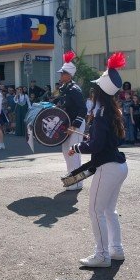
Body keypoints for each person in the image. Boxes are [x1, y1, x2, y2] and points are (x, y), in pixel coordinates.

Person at [68, 52, 128, 268]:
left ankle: (102, 255)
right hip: (119, 166)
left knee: (95, 210)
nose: (92, 91)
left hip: (108, 168)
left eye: (94, 89)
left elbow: (95, 146)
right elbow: (116, 139)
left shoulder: (102, 115)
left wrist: (77, 146)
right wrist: (93, 137)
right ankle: (116, 249)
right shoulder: (113, 112)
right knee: (108, 210)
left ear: (99, 92)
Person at [57, 52, 88, 190]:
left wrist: (74, 126)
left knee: (73, 153)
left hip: (75, 125)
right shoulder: (65, 89)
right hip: (66, 125)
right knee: (66, 152)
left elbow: (83, 110)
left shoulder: (75, 89)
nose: (60, 75)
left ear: (69, 75)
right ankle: (72, 178)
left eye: (62, 73)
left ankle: (77, 182)